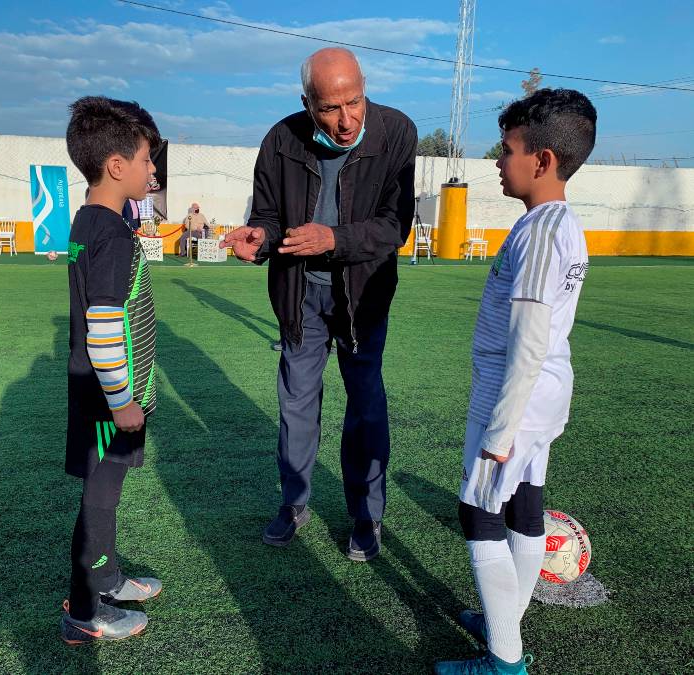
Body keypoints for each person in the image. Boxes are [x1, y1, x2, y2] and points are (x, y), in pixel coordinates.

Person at [223, 48, 417, 561]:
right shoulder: (280, 139)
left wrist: (332, 239)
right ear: (307, 101)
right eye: (330, 107)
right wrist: (257, 240)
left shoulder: (397, 132)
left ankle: (366, 516)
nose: (346, 119)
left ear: (364, 89)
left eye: (354, 102)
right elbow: (267, 216)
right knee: (296, 403)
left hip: (364, 295)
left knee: (366, 404)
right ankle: (293, 504)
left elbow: (394, 227)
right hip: (299, 295)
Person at [435, 89, 597, 675]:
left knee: (479, 515)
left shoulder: (540, 233)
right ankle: (509, 619)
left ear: (544, 159)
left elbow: (528, 336)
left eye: (506, 150)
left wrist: (501, 428)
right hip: (542, 392)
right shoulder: (557, 223)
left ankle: (504, 661)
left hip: (515, 396)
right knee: (526, 505)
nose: (498, 162)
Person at [61, 95, 163, 643]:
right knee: (99, 499)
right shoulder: (113, 235)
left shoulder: (89, 220)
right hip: (109, 399)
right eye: (148, 160)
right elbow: (103, 325)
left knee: (106, 493)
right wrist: (123, 399)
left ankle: (107, 577)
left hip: (102, 393)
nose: (153, 170)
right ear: (116, 165)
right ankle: (84, 610)